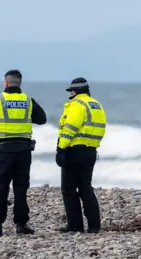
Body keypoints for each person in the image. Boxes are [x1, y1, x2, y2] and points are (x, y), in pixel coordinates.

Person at [0, 69, 47, 237]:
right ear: (19, 83)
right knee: (21, 188)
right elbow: (42, 119)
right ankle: (21, 224)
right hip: (23, 151)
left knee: (1, 187)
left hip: (3, 151)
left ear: (6, 83)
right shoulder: (28, 101)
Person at [56, 77, 106, 234]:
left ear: (75, 91)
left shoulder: (77, 105)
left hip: (74, 151)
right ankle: (94, 226)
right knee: (85, 187)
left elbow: (70, 128)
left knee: (69, 189)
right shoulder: (96, 105)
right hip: (91, 151)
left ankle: (75, 226)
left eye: (71, 91)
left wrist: (60, 149)